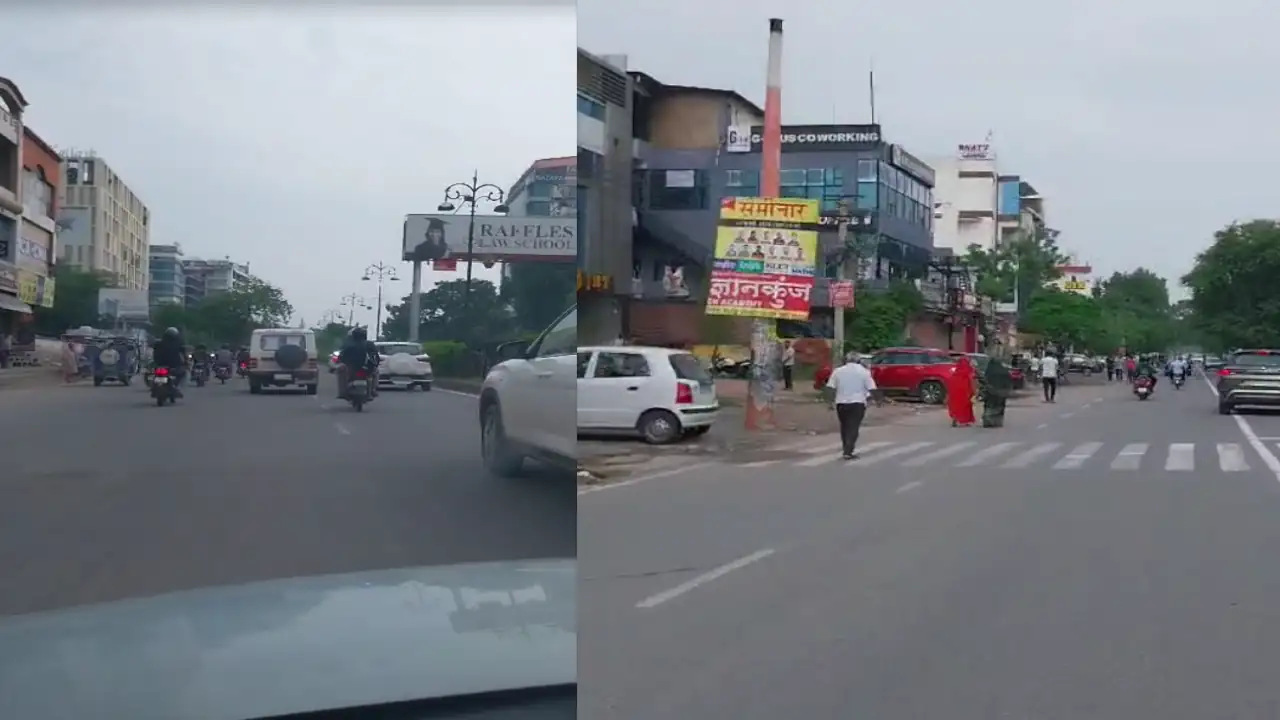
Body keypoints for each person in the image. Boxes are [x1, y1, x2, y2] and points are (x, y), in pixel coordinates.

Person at [825, 351, 878, 460]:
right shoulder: (864, 372)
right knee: (853, 426)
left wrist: (829, 402)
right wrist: (878, 400)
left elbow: (830, 388)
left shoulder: (838, 371)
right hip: (858, 403)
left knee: (844, 426)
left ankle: (846, 448)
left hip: (841, 403)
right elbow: (872, 387)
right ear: (858, 360)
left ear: (846, 360)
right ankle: (848, 451)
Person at [336, 326, 375, 400]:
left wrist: (340, 361)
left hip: (352, 369)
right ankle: (372, 391)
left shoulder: (348, 344)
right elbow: (375, 356)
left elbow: (342, 356)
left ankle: (342, 392)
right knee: (373, 374)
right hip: (364, 370)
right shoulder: (369, 344)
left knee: (341, 371)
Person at [979, 357, 1014, 427]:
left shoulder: (989, 370)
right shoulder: (1004, 370)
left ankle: (987, 421)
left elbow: (985, 381)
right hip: (1001, 392)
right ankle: (997, 422)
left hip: (991, 392)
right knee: (1000, 407)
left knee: (989, 406)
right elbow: (1009, 381)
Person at [152, 327, 187, 396]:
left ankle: (155, 386)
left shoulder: (159, 343)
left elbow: (154, 353)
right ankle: (177, 387)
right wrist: (185, 362)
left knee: (154, 374)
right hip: (173, 366)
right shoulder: (178, 344)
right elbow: (183, 354)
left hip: (160, 365)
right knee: (183, 373)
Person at [947, 356, 978, 427]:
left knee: (955, 407)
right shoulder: (968, 372)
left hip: (955, 394)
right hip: (965, 393)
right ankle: (965, 421)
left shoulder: (955, 374)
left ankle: (955, 419)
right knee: (965, 407)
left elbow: (949, 385)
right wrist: (974, 392)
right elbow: (972, 382)